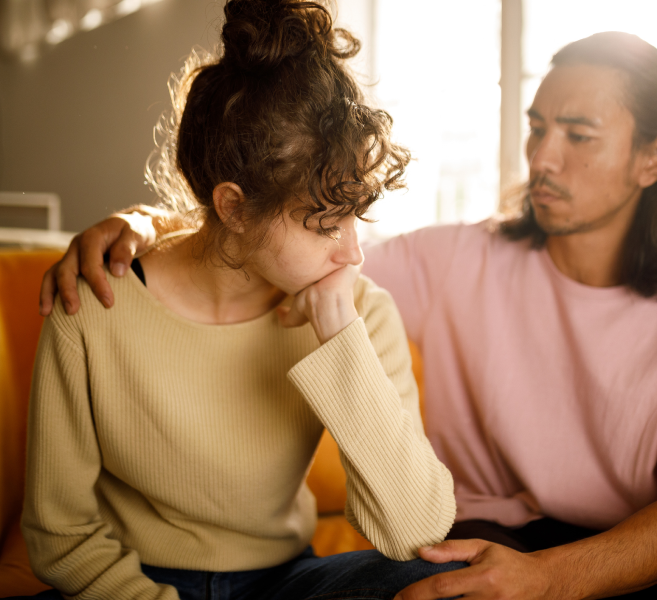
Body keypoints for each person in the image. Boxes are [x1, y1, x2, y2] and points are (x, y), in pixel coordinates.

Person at [40, 32, 657, 600]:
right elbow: (264, 228)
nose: (542, 158)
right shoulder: (456, 259)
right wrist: (141, 222)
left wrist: (548, 580)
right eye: (538, 127)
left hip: (612, 541)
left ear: (653, 159)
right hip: (480, 534)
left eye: (578, 136)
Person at [16, 1, 466, 599]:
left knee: (443, 582)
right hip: (135, 581)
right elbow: (59, 533)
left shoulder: (358, 310)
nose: (353, 253)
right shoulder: (95, 306)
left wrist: (337, 327)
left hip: (285, 583)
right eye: (326, 225)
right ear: (232, 208)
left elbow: (415, 533)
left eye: (356, 217)